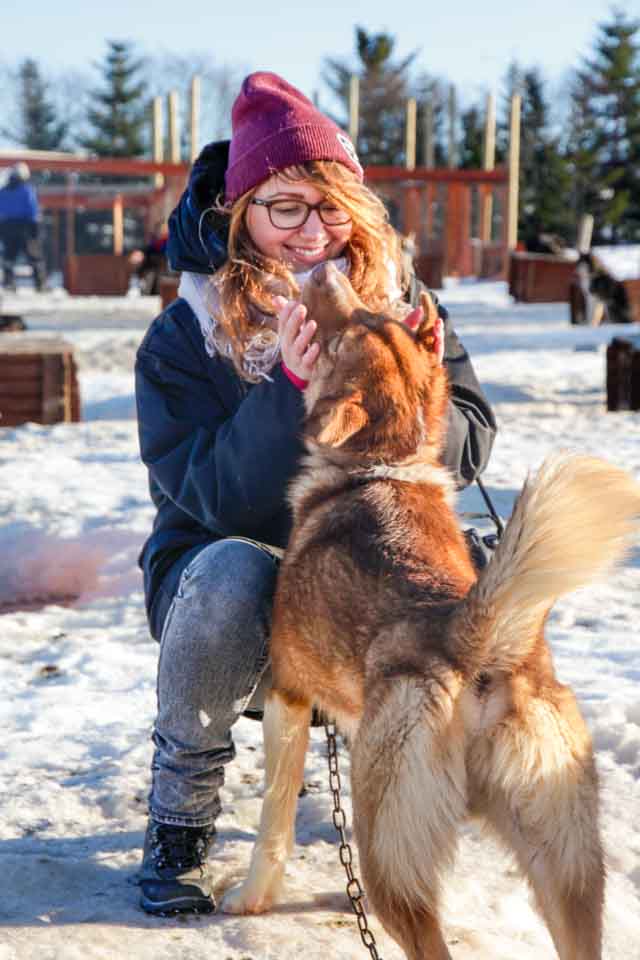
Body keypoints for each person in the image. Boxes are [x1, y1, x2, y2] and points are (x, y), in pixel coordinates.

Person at [134, 71, 497, 916]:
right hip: (237, 575)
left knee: (476, 565)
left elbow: (474, 438)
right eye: (284, 206)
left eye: (330, 206)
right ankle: (180, 820)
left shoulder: (402, 303)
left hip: (373, 556)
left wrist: (409, 389)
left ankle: (432, 787)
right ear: (241, 213)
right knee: (230, 570)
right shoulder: (185, 333)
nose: (310, 231)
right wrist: (290, 387)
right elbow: (206, 495)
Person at [0, 162, 46, 291]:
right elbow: (32, 210)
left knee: (9, 256)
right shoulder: (26, 190)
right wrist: (35, 228)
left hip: (7, 227)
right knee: (34, 256)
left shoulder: (3, 191)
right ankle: (40, 285)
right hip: (25, 227)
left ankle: (8, 283)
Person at [128, 222, 169, 295]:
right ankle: (136, 286)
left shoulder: (170, 241)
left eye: (164, 230)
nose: (162, 232)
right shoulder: (155, 241)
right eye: (160, 230)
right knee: (143, 266)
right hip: (152, 264)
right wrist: (140, 253)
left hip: (165, 264)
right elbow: (147, 249)